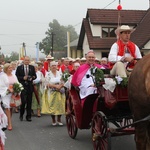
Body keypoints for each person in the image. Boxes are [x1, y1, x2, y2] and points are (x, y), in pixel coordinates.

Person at [41, 61, 65, 126]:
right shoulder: (48, 74)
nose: (54, 66)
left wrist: (60, 86)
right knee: (52, 105)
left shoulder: (60, 73)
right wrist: (54, 86)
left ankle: (59, 119)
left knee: (60, 105)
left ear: (57, 66)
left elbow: (63, 81)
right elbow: (46, 83)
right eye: (52, 65)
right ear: (50, 67)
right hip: (51, 92)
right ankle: (53, 119)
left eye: (55, 65)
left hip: (60, 92)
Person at [15, 56, 37, 122]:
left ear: (29, 61)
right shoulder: (19, 68)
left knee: (29, 102)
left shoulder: (32, 67)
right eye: (25, 60)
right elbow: (17, 77)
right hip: (22, 86)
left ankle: (28, 116)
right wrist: (23, 78)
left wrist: (32, 77)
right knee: (23, 101)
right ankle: (21, 114)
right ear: (23, 61)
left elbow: (35, 76)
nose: (27, 61)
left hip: (30, 86)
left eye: (28, 60)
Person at [0, 63, 19, 130]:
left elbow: (17, 83)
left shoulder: (14, 75)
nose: (11, 69)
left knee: (11, 108)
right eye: (9, 68)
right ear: (6, 69)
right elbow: (1, 85)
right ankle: (10, 124)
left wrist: (17, 89)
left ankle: (8, 120)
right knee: (7, 107)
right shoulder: (3, 76)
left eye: (11, 68)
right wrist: (8, 89)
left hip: (13, 94)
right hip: (6, 94)